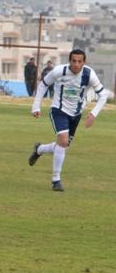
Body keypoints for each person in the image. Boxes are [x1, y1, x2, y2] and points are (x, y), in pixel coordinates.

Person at [28, 49, 109, 191]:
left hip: (76, 114)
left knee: (62, 145)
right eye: (74, 61)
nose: (76, 64)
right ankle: (56, 180)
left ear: (84, 62)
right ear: (69, 61)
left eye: (80, 61)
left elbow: (103, 95)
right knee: (63, 141)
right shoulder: (59, 71)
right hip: (58, 110)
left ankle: (39, 149)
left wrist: (93, 114)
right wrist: (36, 106)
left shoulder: (89, 74)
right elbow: (43, 84)